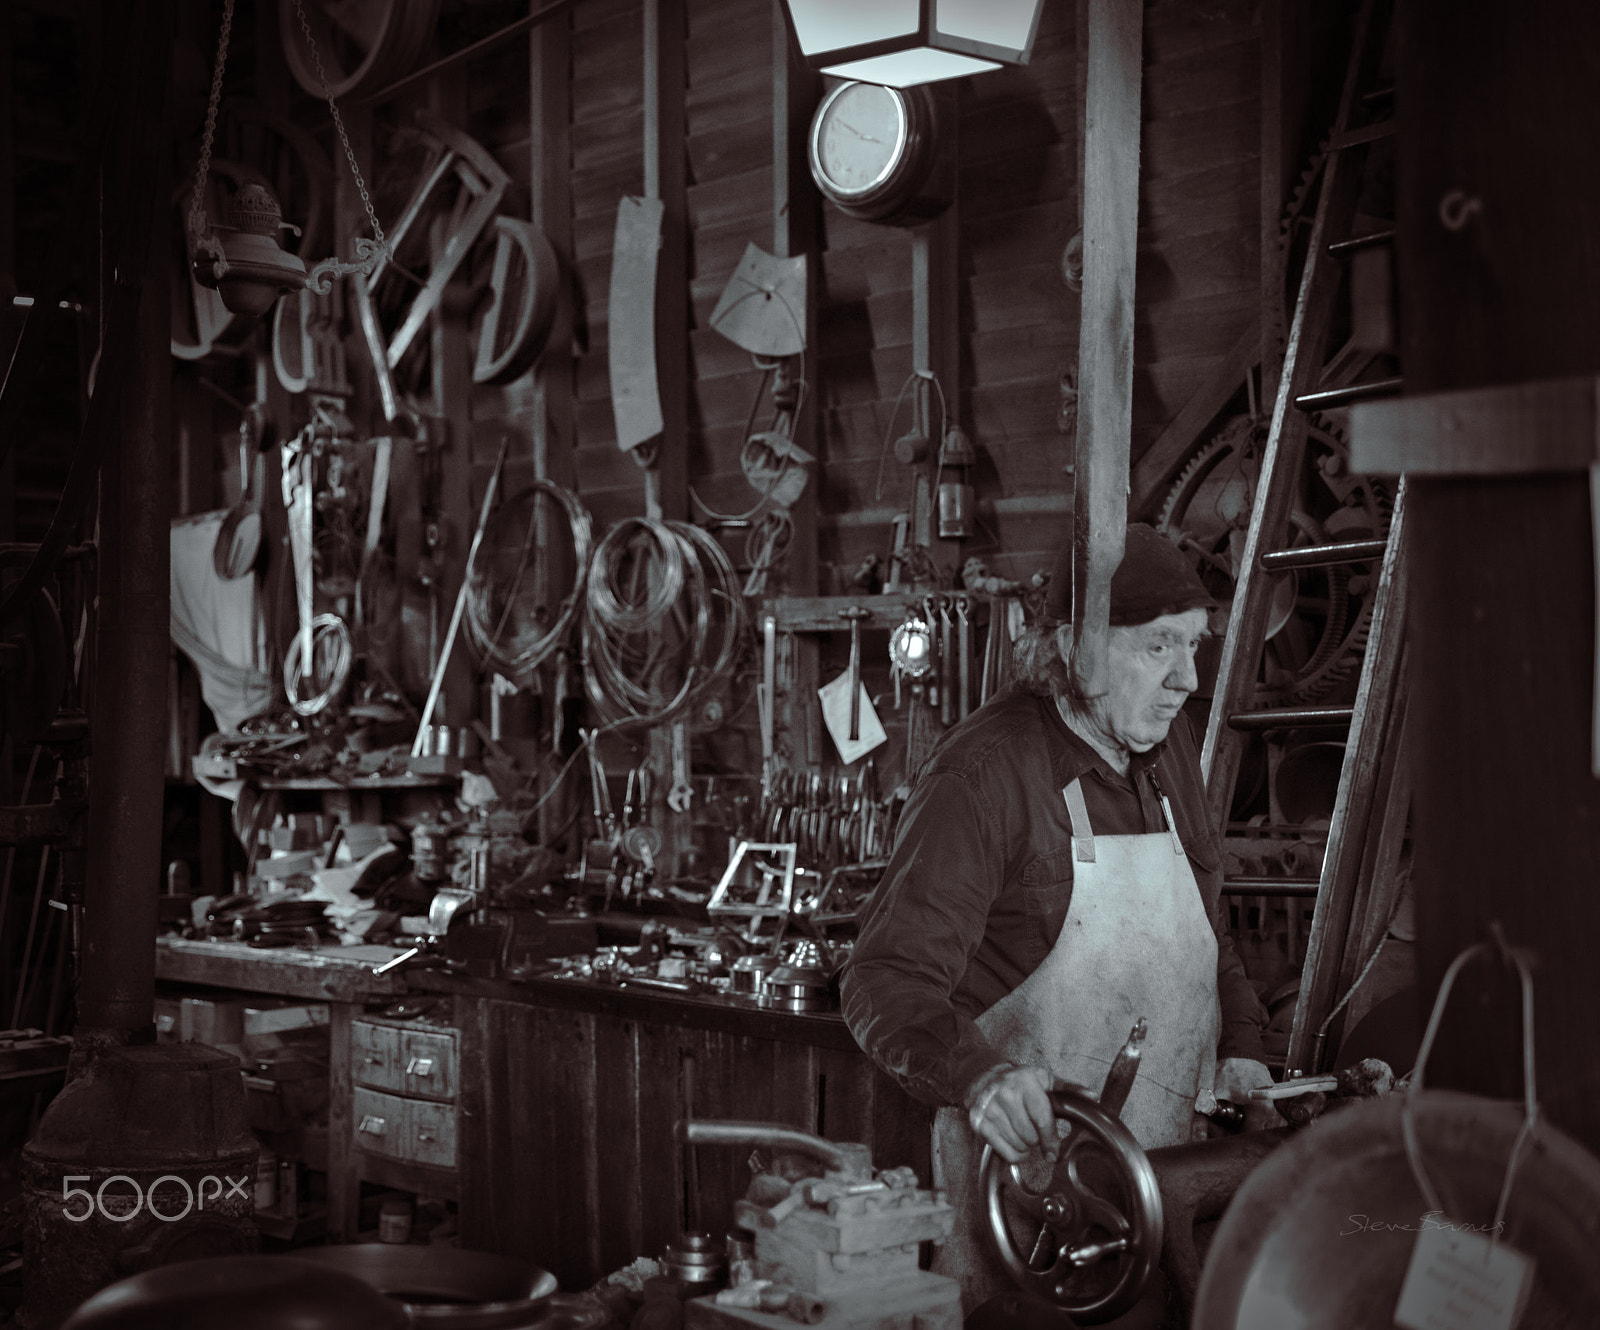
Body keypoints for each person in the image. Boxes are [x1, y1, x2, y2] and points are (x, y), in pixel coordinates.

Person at [840, 523, 1274, 1313]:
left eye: (1195, 646)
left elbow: (1208, 940)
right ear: (1078, 648)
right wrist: (981, 1079)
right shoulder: (981, 776)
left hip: (1169, 1196)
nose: (1186, 678)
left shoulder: (1166, 746)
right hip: (1034, 1215)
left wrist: (1243, 1048)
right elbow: (883, 978)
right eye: (1159, 647)